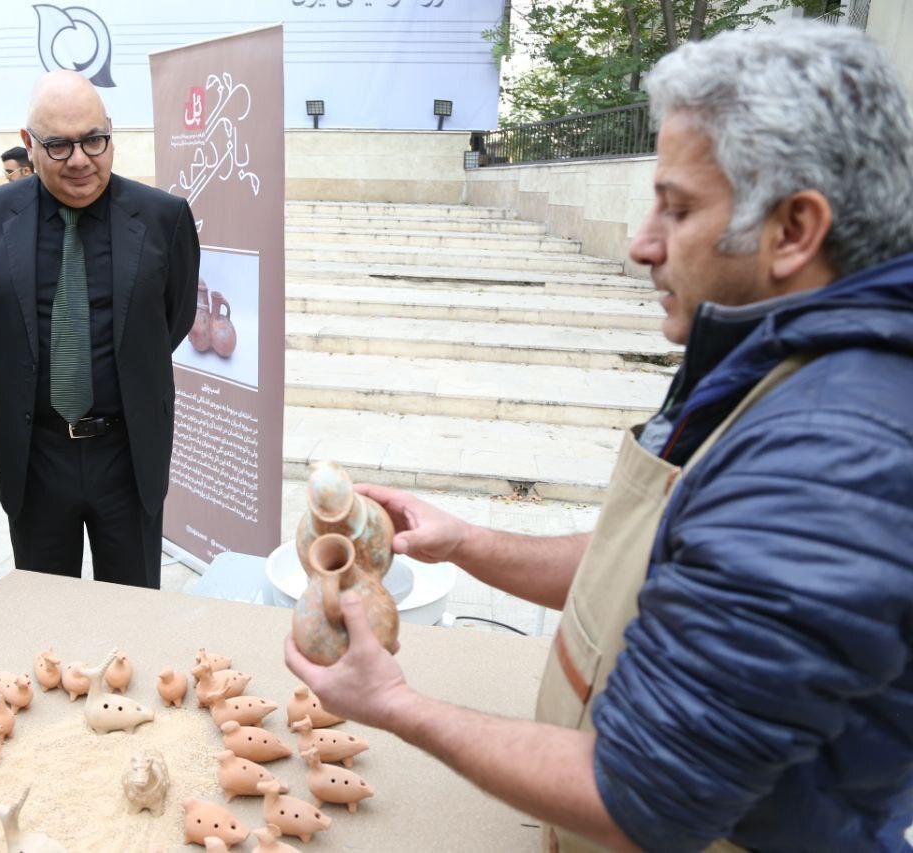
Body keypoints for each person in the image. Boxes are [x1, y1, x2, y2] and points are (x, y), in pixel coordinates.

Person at [285, 21, 913, 851]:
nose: (641, 241)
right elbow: (663, 559)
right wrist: (465, 540)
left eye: (678, 207)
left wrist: (394, 703)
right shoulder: (782, 362)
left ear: (794, 230)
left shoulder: (830, 459)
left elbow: (642, 795)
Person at [0, 70, 199, 588]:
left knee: (133, 612)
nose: (81, 160)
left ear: (111, 131)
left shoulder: (164, 218)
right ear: (28, 145)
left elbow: (169, 325)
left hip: (128, 454)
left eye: (94, 140)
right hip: (35, 454)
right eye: (59, 145)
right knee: (46, 616)